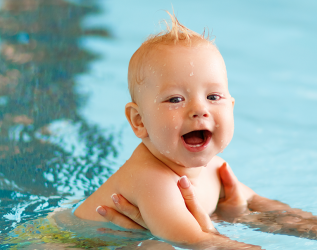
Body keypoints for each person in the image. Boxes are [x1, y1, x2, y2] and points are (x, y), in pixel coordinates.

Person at [74, 12, 260, 249]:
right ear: (139, 121)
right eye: (175, 99)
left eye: (213, 96)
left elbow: (261, 206)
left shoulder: (216, 169)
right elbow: (199, 242)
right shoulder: (151, 179)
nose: (200, 109)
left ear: (231, 106)